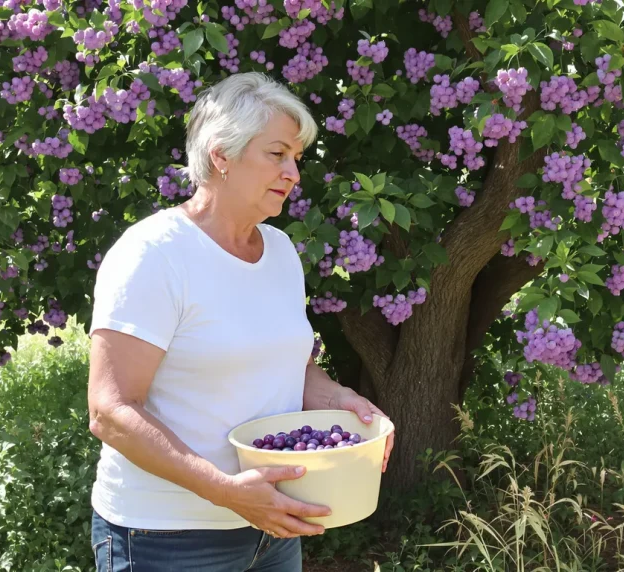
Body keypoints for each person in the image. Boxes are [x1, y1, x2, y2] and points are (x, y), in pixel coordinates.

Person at [86, 71, 394, 571]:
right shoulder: (154, 254)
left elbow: (287, 366)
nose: (294, 173)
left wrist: (344, 403)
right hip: (165, 538)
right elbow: (110, 410)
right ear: (221, 155)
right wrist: (226, 492)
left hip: (272, 527)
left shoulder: (280, 251)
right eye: (277, 154)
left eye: (296, 158)